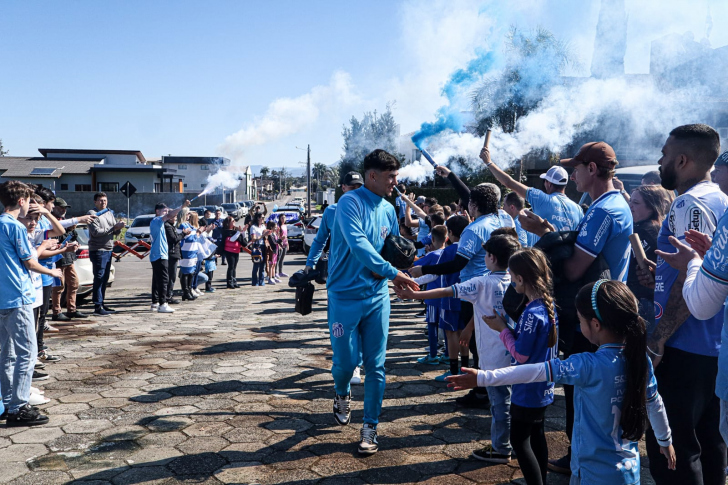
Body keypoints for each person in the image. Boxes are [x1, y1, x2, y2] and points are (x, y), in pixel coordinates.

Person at [448, 280, 676, 485]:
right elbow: (655, 403)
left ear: (595, 325)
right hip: (629, 472)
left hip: (591, 473)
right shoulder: (640, 360)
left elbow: (533, 372)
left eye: (580, 320)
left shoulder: (587, 365)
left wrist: (483, 377)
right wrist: (665, 441)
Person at [521, 141, 634, 474]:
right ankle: (580, 458)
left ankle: (581, 463)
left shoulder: (603, 210)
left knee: (580, 395)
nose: (572, 174)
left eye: (575, 168)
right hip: (603, 312)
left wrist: (544, 236)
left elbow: (573, 270)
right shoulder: (611, 203)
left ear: (592, 169)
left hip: (595, 317)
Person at [634, 124, 728, 485]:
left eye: (664, 154)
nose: (660, 161)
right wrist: (661, 275)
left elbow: (698, 275)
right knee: (711, 445)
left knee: (675, 452)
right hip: (711, 345)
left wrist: (658, 339)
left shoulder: (690, 203)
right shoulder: (719, 198)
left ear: (683, 160)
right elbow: (703, 266)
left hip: (686, 344)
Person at [398, 234, 522, 463]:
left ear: (492, 257)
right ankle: (511, 442)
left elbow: (448, 291)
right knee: (509, 400)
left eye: (485, 254)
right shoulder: (516, 282)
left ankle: (502, 448)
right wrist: (468, 328)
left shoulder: (483, 282)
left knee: (500, 404)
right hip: (514, 352)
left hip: (492, 357)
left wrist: (415, 294)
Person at [326, 149, 419, 455]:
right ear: (373, 176)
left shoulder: (390, 208)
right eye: (390, 176)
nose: (395, 182)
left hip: (377, 296)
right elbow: (360, 246)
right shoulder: (349, 203)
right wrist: (394, 272)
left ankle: (370, 427)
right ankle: (341, 392)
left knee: (376, 366)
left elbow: (392, 249)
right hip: (344, 297)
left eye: (396, 175)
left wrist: (404, 268)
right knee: (345, 364)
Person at [409, 184, 508, 409]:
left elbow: (457, 263)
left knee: (477, 345)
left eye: (469, 202)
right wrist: (450, 178)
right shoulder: (503, 219)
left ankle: (483, 391)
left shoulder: (473, 230)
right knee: (495, 342)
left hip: (475, 293)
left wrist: (424, 270)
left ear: (473, 205)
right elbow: (475, 197)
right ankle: (490, 387)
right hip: (501, 288)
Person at [0, 181, 62, 426]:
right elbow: (30, 261)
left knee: (8, 353)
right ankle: (18, 407)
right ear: (22, 200)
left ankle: (7, 402)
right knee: (27, 352)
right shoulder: (14, 226)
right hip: (18, 296)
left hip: (3, 298)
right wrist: (53, 274)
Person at [305, 171, 364, 383]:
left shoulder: (370, 208)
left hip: (363, 275)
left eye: (360, 186)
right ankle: (342, 359)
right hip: (337, 277)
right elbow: (320, 240)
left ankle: (355, 365)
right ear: (343, 188)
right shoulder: (331, 211)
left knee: (358, 323)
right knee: (337, 323)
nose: (356, 190)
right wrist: (310, 263)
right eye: (352, 186)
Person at [479, 152, 583, 245]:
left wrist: (489, 162)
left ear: (549, 184)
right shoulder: (578, 209)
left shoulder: (542, 199)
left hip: (542, 260)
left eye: (545, 181)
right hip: (566, 261)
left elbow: (509, 183)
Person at [626, 185, 673, 330]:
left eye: (636, 203)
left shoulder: (646, 231)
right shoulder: (659, 227)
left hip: (644, 301)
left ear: (651, 207)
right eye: (630, 201)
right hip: (650, 299)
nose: (630, 206)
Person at [410, 225, 447, 368]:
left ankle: (432, 355)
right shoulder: (449, 253)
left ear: (432, 239)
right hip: (446, 296)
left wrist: (412, 282)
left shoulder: (432, 255)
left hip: (432, 296)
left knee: (432, 325)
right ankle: (448, 354)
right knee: (446, 328)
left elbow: (415, 266)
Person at [50, 198, 91, 322]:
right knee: (59, 286)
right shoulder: (52, 222)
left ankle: (71, 309)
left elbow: (73, 238)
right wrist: (69, 230)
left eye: (65, 208)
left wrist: (72, 230)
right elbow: (58, 239)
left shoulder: (64, 221)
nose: (63, 210)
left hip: (69, 258)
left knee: (74, 283)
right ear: (54, 208)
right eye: (61, 208)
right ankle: (56, 312)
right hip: (58, 259)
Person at [88, 192, 126, 316]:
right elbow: (96, 232)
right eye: (100, 200)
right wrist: (114, 228)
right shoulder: (92, 214)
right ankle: (97, 306)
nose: (103, 202)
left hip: (109, 249)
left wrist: (119, 226)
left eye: (105, 200)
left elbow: (114, 232)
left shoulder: (109, 213)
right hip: (98, 249)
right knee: (99, 277)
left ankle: (102, 303)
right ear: (95, 202)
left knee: (105, 278)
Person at [149, 201, 191, 313]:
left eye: (167, 211)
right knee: (164, 279)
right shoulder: (158, 220)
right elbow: (169, 216)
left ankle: (155, 303)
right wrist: (182, 206)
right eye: (164, 211)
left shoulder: (160, 223)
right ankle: (163, 304)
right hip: (159, 254)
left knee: (157, 279)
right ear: (157, 212)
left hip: (158, 254)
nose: (168, 213)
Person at [164, 210, 185, 305]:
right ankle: (168, 296)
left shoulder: (172, 226)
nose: (175, 219)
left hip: (174, 254)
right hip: (171, 254)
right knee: (170, 276)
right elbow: (174, 238)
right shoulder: (167, 226)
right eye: (174, 217)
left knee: (172, 276)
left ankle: (169, 294)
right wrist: (183, 234)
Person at [221, 216, 244, 289]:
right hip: (229, 251)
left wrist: (243, 231)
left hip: (236, 250)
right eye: (232, 221)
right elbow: (232, 239)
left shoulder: (235, 230)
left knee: (234, 267)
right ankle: (229, 282)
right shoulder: (226, 231)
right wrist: (238, 232)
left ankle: (234, 281)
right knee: (231, 266)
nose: (234, 222)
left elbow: (242, 239)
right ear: (228, 223)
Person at [248, 213, 267, 286]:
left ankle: (261, 281)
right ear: (258, 218)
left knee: (263, 265)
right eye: (262, 217)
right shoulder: (253, 227)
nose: (263, 219)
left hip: (263, 245)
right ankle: (255, 281)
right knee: (256, 264)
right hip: (257, 246)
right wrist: (262, 235)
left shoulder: (263, 226)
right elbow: (253, 239)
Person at [264, 220, 279, 285]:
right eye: (275, 227)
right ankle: (270, 277)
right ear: (272, 227)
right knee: (271, 264)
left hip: (276, 249)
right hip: (272, 250)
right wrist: (281, 240)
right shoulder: (270, 234)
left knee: (274, 264)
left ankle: (273, 276)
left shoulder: (274, 233)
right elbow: (274, 242)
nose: (276, 228)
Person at [276, 213, 289, 278]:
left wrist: (287, 244)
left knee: (282, 259)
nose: (283, 219)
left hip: (285, 243)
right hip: (280, 244)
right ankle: (275, 272)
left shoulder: (285, 226)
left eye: (284, 218)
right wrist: (280, 242)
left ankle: (280, 272)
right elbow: (277, 236)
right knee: (278, 259)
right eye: (282, 218)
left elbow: (286, 236)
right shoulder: (278, 226)